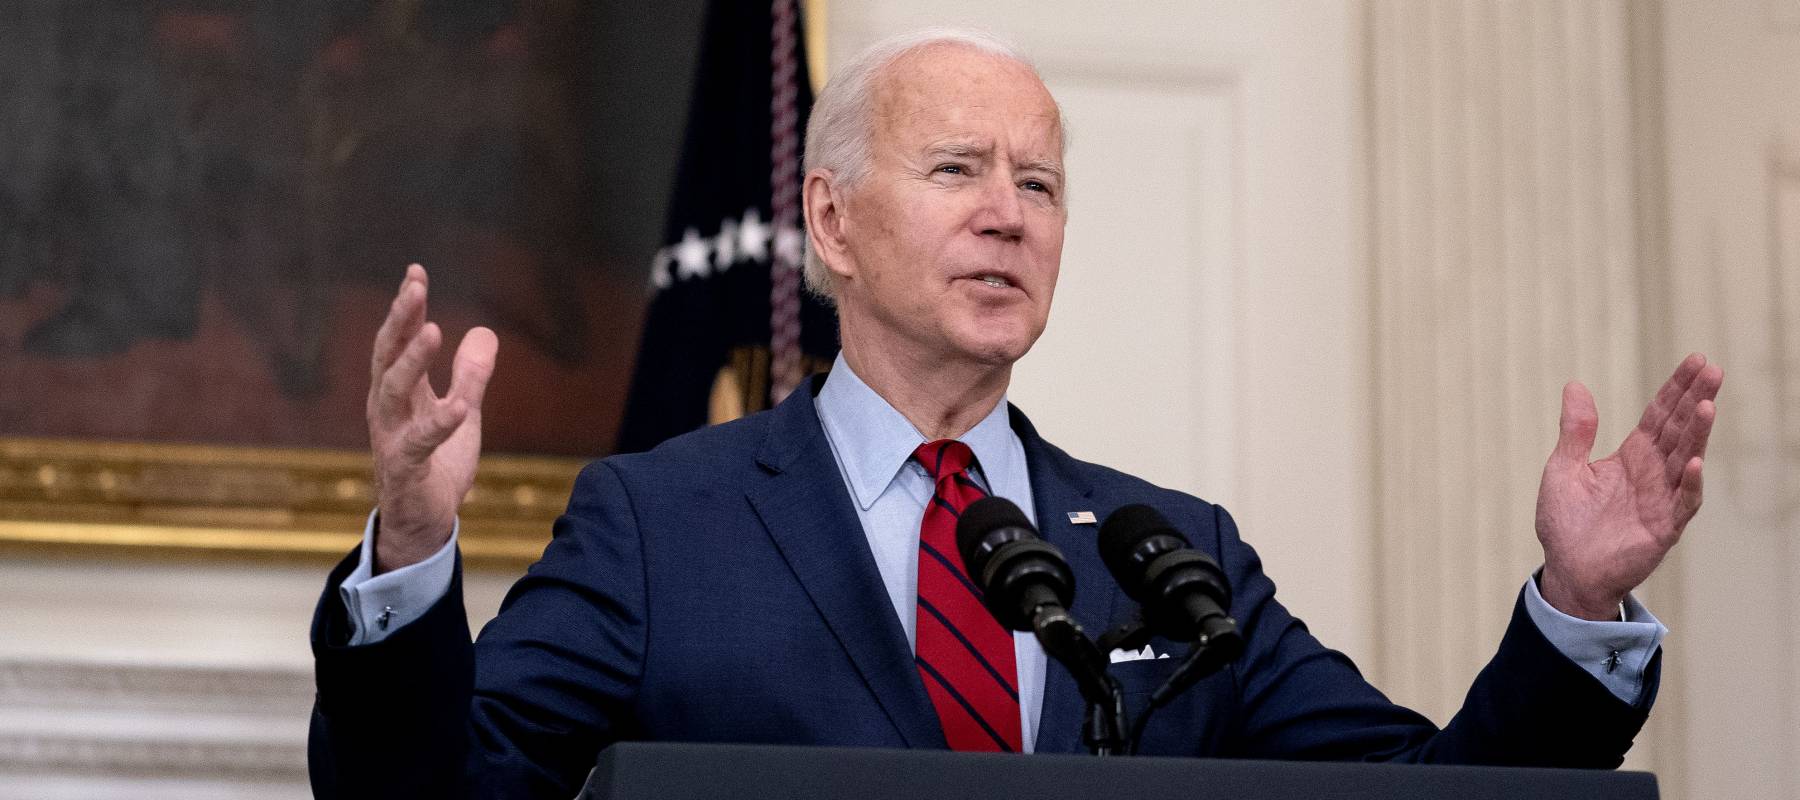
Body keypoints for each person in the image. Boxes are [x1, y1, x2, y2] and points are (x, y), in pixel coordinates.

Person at [307, 29, 1724, 799]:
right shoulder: (660, 525)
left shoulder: (1177, 557)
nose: (1008, 216)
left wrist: (1573, 608)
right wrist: (416, 545)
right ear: (833, 221)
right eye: (958, 171)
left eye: (1039, 186)